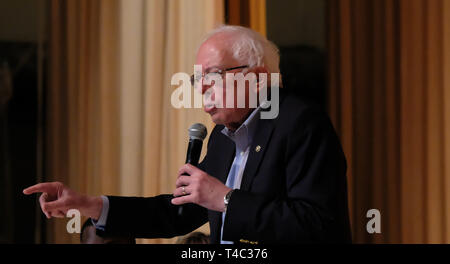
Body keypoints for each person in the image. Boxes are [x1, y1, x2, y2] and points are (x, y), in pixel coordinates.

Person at [24, 25, 352, 244]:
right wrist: (90, 204)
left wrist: (224, 199)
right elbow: (177, 214)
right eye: (197, 80)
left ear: (257, 77)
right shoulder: (222, 138)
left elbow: (317, 226)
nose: (203, 89)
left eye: (213, 75)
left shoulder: (301, 124)